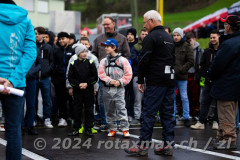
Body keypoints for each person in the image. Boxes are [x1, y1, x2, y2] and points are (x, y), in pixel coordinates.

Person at [125, 10, 175, 156]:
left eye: (145, 21)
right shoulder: (169, 37)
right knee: (167, 114)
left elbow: (143, 59)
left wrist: (140, 80)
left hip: (156, 81)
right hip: (170, 80)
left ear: (152, 21)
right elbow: (173, 59)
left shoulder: (151, 37)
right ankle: (168, 145)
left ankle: (143, 146)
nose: (144, 25)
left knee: (149, 113)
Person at [0, 1, 37, 159]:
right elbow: (30, 53)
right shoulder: (25, 20)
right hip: (16, 85)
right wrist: (13, 80)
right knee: (13, 131)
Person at [92, 16, 130, 131]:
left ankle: (119, 123)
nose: (106, 26)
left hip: (118, 77)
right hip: (103, 77)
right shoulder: (98, 39)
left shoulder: (122, 38)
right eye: (104, 25)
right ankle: (106, 123)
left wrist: (121, 72)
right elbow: (93, 56)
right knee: (103, 101)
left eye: (108, 24)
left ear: (114, 23)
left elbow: (127, 55)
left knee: (119, 101)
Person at [208, 15, 240, 150]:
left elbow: (218, 64)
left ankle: (228, 140)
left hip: (227, 84)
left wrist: (210, 75)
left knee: (226, 114)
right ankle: (222, 137)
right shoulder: (234, 41)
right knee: (229, 113)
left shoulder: (229, 43)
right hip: (235, 83)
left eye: (225, 24)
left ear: (229, 27)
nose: (224, 27)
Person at [98, 38, 132, 137]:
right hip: (106, 88)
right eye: (105, 46)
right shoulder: (103, 61)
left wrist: (120, 81)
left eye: (108, 46)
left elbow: (129, 74)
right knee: (109, 110)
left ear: (114, 47)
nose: (105, 48)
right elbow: (100, 73)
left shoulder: (123, 60)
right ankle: (112, 128)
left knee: (121, 108)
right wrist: (110, 80)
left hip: (119, 88)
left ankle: (125, 129)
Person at [66, 37, 99, 134]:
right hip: (77, 90)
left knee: (89, 109)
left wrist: (87, 84)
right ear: (78, 53)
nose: (85, 53)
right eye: (82, 52)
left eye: (86, 51)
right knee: (77, 109)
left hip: (88, 90)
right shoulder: (73, 62)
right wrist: (77, 85)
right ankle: (76, 128)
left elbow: (95, 76)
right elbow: (70, 77)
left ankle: (88, 128)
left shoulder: (91, 62)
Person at [190, 30, 220, 130]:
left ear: (218, 38)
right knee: (204, 102)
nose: (212, 40)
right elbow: (201, 65)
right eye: (211, 38)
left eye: (214, 37)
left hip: (218, 81)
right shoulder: (207, 51)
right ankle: (201, 122)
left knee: (217, 103)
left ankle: (216, 121)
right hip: (207, 81)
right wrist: (205, 74)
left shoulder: (222, 50)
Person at [173, 27, 194, 127]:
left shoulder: (187, 46)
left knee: (184, 97)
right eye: (174, 35)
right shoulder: (171, 46)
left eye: (178, 35)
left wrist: (182, 69)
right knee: (171, 97)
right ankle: (172, 117)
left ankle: (186, 117)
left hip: (182, 76)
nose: (176, 37)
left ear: (181, 36)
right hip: (172, 76)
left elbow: (191, 61)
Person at [52, 32, 74, 127]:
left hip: (71, 79)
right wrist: (55, 78)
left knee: (72, 100)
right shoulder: (56, 51)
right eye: (60, 39)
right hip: (59, 79)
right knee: (61, 100)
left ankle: (73, 118)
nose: (61, 40)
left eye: (63, 38)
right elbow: (53, 65)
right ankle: (62, 118)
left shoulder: (73, 51)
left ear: (68, 39)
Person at [35, 27, 54, 128]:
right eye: (35, 34)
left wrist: (46, 72)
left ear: (42, 35)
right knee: (33, 100)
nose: (36, 36)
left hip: (45, 78)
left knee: (46, 99)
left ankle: (47, 118)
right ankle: (34, 119)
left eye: (38, 34)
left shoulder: (48, 47)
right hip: (34, 77)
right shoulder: (32, 46)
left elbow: (51, 62)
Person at [130, 28, 148, 125]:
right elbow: (134, 59)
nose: (144, 36)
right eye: (143, 34)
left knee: (148, 98)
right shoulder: (135, 47)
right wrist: (144, 59)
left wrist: (141, 58)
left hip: (149, 76)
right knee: (138, 98)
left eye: (146, 34)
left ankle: (147, 117)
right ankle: (137, 117)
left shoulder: (152, 46)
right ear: (140, 35)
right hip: (137, 75)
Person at [185, 32, 203, 120]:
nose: (189, 43)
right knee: (186, 95)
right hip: (186, 74)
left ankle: (195, 112)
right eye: (187, 41)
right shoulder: (185, 49)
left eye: (190, 41)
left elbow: (201, 63)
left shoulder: (199, 51)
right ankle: (188, 112)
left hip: (195, 75)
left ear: (194, 39)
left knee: (195, 95)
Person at [125, 28, 138, 122]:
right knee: (124, 95)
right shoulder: (124, 44)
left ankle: (131, 113)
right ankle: (125, 113)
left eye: (131, 34)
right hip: (125, 73)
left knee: (133, 95)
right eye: (128, 34)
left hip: (134, 73)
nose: (129, 36)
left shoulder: (137, 46)